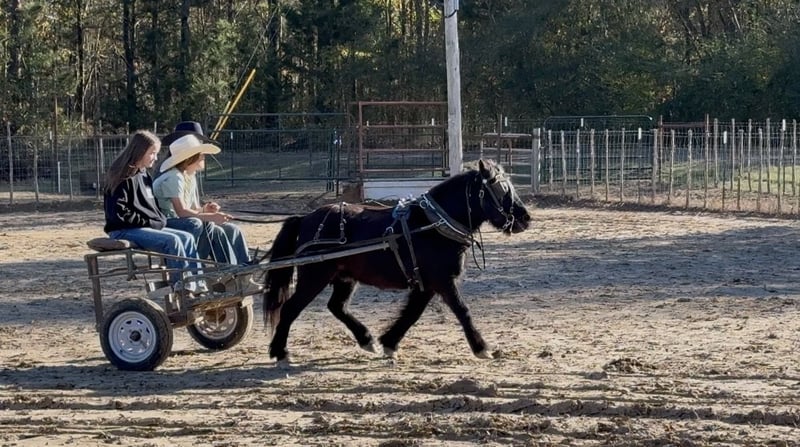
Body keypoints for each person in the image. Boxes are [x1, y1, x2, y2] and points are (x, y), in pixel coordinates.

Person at [103, 130, 204, 291]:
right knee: (173, 241)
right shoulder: (122, 176)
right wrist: (151, 222)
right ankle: (181, 285)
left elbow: (151, 207)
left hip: (142, 226)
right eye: (152, 153)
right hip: (123, 230)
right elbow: (120, 215)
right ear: (140, 151)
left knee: (187, 237)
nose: (156, 158)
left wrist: (158, 219)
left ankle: (198, 283)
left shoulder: (144, 175)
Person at [153, 124, 252, 266]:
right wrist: (211, 217)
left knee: (232, 229)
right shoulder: (174, 177)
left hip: (183, 219)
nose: (204, 157)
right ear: (190, 158)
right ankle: (224, 267)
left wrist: (206, 209)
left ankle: (242, 266)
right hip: (170, 221)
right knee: (211, 227)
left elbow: (192, 208)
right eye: (201, 154)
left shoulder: (188, 176)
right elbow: (181, 212)